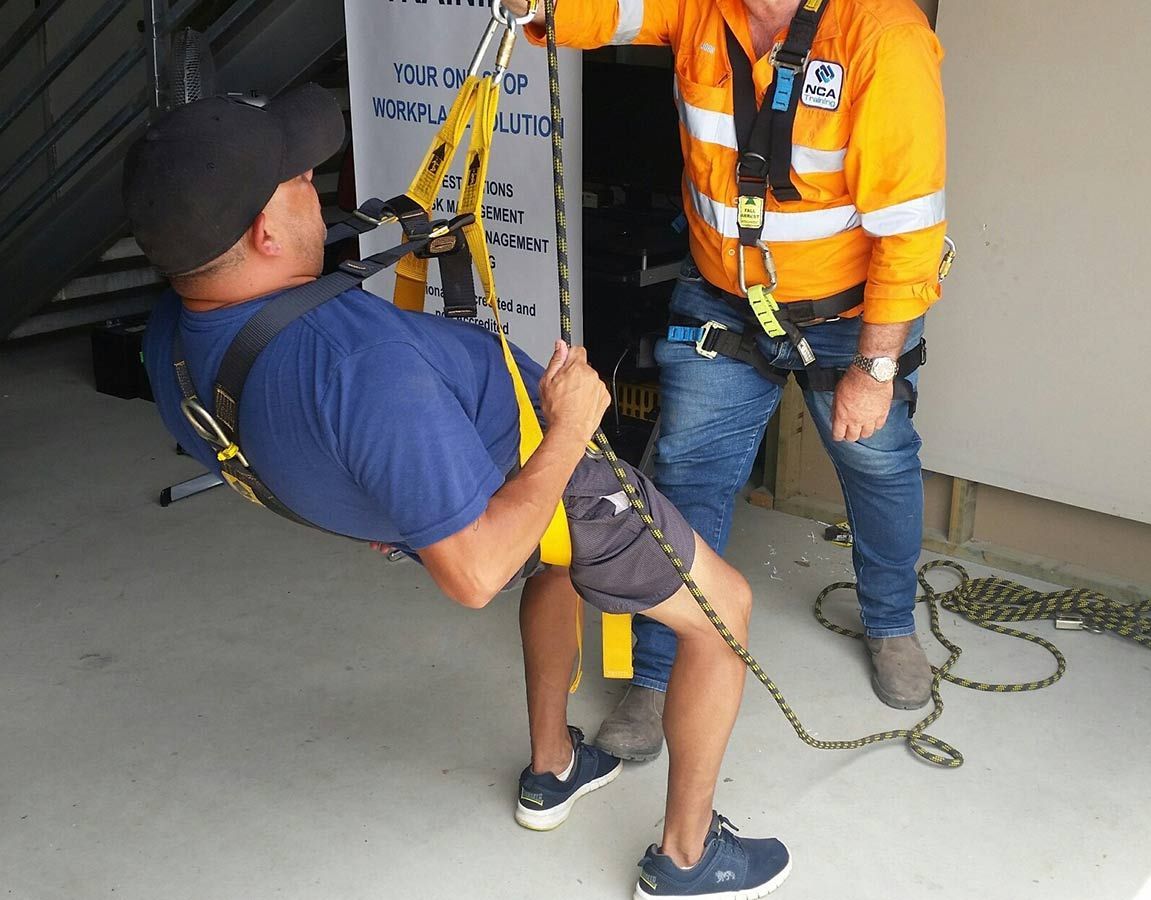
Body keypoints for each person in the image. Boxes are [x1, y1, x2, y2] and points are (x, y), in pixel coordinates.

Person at [125, 86, 793, 899]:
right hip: (523, 478)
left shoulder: (175, 336)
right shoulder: (358, 371)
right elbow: (476, 572)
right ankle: (689, 857)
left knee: (551, 568)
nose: (315, 184)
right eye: (299, 181)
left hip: (427, 491)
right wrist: (570, 429)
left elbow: (338, 447)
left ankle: (553, 767)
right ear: (265, 233)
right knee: (724, 615)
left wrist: (393, 498)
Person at [505, 0, 948, 761]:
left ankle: (890, 624)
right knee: (686, 478)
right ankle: (657, 670)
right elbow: (593, 11)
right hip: (723, 296)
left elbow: (909, 231)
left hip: (845, 312)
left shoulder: (885, 38)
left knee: (876, 463)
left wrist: (874, 371)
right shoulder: (696, 6)